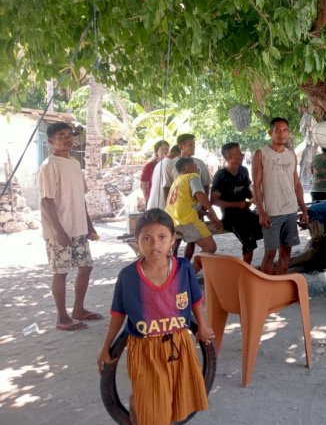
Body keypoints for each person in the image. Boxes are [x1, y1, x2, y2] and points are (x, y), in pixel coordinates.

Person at [96, 209, 212, 424]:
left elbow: (196, 300)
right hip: (144, 349)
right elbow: (117, 314)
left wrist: (202, 327)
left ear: (172, 240)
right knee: (147, 403)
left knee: (175, 400)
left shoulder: (184, 269)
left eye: (162, 237)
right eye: (146, 238)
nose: (154, 244)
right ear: (137, 241)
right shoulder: (128, 276)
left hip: (179, 346)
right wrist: (106, 347)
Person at [39, 122, 102, 331]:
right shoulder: (50, 165)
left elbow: (80, 199)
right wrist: (58, 231)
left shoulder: (75, 163)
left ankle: (78, 309)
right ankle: (62, 317)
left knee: (86, 266)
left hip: (79, 228)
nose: (67, 138)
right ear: (51, 141)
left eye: (69, 134)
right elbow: (46, 201)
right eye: (60, 135)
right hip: (60, 231)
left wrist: (90, 225)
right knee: (61, 271)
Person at [253, 117, 309, 275]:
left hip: (290, 210)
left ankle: (280, 288)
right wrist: (262, 212)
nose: (282, 133)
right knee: (270, 253)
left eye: (285, 130)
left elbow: (297, 184)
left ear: (289, 133)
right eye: (278, 130)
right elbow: (256, 185)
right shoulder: (261, 154)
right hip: (272, 212)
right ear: (271, 132)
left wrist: (303, 210)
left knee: (286, 253)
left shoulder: (291, 155)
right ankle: (267, 291)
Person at [165, 157, 221, 273]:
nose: (198, 169)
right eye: (196, 166)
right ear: (189, 167)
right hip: (186, 220)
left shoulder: (177, 181)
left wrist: (203, 212)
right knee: (210, 247)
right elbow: (200, 194)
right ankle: (189, 274)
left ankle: (175, 276)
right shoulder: (192, 176)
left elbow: (183, 203)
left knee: (172, 253)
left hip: (171, 221)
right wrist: (213, 213)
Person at [211, 142, 262, 265]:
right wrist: (237, 204)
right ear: (229, 157)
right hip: (230, 217)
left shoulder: (243, 171)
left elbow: (248, 190)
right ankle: (246, 270)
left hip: (246, 213)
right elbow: (213, 201)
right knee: (249, 242)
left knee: (267, 226)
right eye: (238, 153)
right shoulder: (221, 175)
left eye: (241, 152)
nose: (242, 155)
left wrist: (254, 198)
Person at [146, 144, 180, 210]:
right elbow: (166, 187)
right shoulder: (171, 164)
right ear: (179, 154)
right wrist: (169, 208)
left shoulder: (159, 164)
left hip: (153, 205)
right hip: (162, 208)